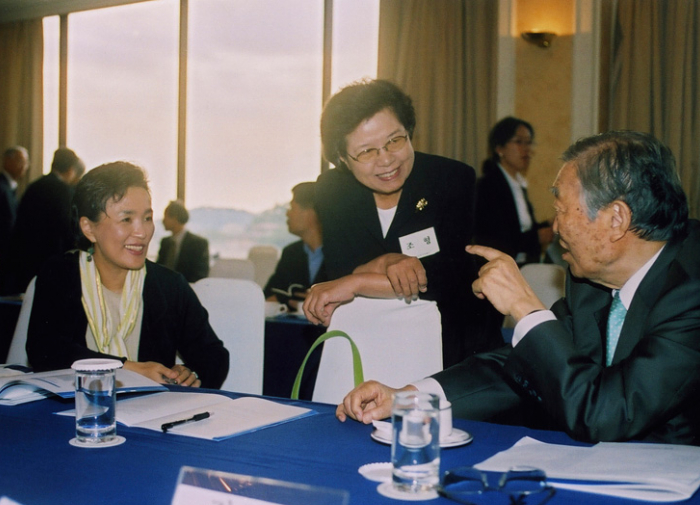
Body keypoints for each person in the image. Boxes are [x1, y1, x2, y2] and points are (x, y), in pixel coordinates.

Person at [336, 130, 700, 446]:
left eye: (562, 210)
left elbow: (604, 414)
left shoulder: (691, 291)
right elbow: (527, 367)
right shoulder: (590, 283)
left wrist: (526, 308)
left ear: (616, 219)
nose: (554, 227)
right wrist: (408, 398)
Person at [304, 79, 502, 368]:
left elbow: (449, 277)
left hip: (450, 345)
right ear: (343, 158)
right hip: (367, 340)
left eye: (394, 141)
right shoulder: (333, 191)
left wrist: (357, 282)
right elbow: (339, 268)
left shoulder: (451, 179)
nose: (386, 160)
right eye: (366, 151)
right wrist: (388, 262)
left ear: (409, 132)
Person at [27, 161, 229, 389]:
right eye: (126, 219)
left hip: (151, 409)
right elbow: (45, 350)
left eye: (147, 218)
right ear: (89, 228)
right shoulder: (61, 274)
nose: (142, 232)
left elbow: (214, 356)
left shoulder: (169, 286)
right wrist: (129, 369)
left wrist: (190, 373)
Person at [1, 148, 83, 295]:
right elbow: (68, 230)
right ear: (71, 170)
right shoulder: (64, 191)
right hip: (50, 264)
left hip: (25, 263)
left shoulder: (34, 186)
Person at [475, 117, 553, 265]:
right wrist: (536, 237)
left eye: (528, 143)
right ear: (499, 148)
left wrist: (549, 224)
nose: (526, 149)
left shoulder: (518, 184)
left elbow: (521, 230)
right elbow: (495, 239)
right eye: (519, 142)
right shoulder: (488, 186)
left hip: (521, 265)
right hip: (496, 267)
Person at [264, 182, 327, 311]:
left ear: (311, 213)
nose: (287, 214)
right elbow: (268, 296)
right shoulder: (291, 253)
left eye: (292, 208)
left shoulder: (342, 253)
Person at [156, 200, 210, 283]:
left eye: (166, 217)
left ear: (175, 218)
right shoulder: (165, 242)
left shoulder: (198, 244)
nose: (163, 221)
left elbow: (200, 275)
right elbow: (158, 270)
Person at [0, 146, 29, 253]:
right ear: (7, 161)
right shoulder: (2, 187)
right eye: (20, 161)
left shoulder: (10, 187)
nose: (24, 166)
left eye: (26, 162)